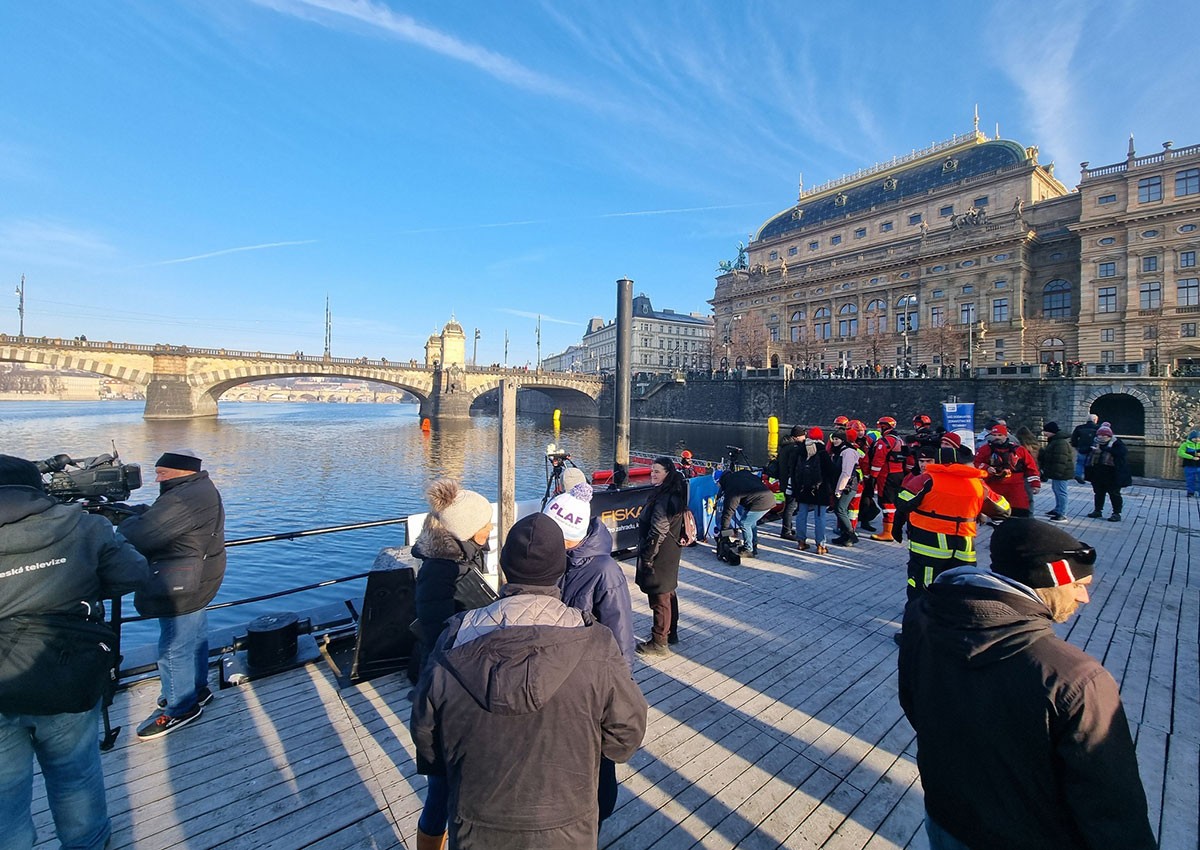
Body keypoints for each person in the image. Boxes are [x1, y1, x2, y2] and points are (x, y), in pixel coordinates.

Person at [898, 519, 1157, 850]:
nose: (1084, 598)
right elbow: (1112, 808)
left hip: (945, 815)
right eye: (1079, 585)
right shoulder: (1076, 679)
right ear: (1049, 579)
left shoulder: (922, 614)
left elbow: (912, 702)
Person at [409, 513, 648, 850]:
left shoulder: (453, 639)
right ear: (560, 569)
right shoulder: (597, 644)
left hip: (476, 825)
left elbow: (426, 735)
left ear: (505, 568)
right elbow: (626, 735)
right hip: (567, 826)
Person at [0, 455, 150, 850]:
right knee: (74, 773)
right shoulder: (83, 524)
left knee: (4, 793)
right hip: (65, 667)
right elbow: (133, 574)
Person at [543, 479, 637, 825]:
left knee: (599, 764)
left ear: (570, 533)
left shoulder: (605, 571)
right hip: (558, 678)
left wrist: (618, 691)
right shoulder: (558, 558)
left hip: (592, 682)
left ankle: (597, 818)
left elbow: (620, 636)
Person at [409, 479, 494, 850]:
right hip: (447, 689)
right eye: (487, 523)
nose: (491, 528)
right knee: (441, 791)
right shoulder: (441, 573)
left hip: (463, 681)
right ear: (468, 531)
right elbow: (439, 637)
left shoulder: (459, 559)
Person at [118, 450, 225, 740]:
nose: (157, 479)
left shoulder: (182, 497)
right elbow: (163, 520)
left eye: (162, 473)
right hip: (200, 577)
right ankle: (197, 690)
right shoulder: (198, 488)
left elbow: (141, 535)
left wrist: (120, 521)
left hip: (181, 582)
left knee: (174, 647)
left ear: (182, 471)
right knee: (195, 637)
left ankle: (180, 708)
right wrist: (135, 512)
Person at [894, 434, 1010, 601]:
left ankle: (921, 614)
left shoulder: (927, 479)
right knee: (959, 588)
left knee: (923, 586)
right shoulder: (977, 483)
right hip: (964, 546)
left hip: (928, 544)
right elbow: (1003, 510)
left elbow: (903, 502)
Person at [636, 457, 689, 656]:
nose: (653, 474)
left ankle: (659, 641)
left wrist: (648, 557)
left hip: (660, 552)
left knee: (659, 596)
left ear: (668, 473)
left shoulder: (663, 499)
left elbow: (658, 530)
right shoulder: (675, 493)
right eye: (652, 471)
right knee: (668, 591)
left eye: (657, 471)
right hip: (671, 550)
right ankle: (671, 632)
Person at [973, 424, 1041, 517]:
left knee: (1020, 511)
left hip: (1016, 487)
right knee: (996, 512)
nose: (997, 437)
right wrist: (986, 467)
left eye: (1000, 435)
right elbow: (976, 463)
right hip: (994, 486)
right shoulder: (985, 449)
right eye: (994, 435)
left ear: (1005, 435)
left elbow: (1031, 467)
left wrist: (1035, 484)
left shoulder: (1019, 450)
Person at [791, 427, 834, 554]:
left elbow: (793, 470)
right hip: (820, 489)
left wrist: (796, 487)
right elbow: (831, 471)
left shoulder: (800, 450)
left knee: (801, 515)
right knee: (820, 518)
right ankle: (820, 545)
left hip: (803, 488)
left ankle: (801, 542)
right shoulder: (822, 452)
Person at [716, 467, 775, 558]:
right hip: (768, 496)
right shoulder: (741, 473)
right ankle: (753, 545)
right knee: (751, 523)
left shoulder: (732, 489)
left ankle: (748, 550)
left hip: (761, 502)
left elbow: (728, 512)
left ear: (720, 481)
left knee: (745, 523)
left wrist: (724, 532)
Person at [868, 416, 906, 541]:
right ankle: (892, 529)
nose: (879, 429)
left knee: (886, 502)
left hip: (887, 475)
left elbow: (878, 461)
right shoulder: (899, 440)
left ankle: (888, 532)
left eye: (880, 426)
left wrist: (873, 477)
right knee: (893, 501)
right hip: (898, 474)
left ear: (884, 426)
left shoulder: (884, 441)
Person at [1084, 422, 1131, 522]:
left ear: (1109, 436)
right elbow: (1084, 451)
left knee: (1114, 494)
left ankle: (1116, 513)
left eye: (1104, 435)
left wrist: (1105, 449)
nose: (1101, 437)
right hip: (1097, 472)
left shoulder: (1116, 443)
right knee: (1098, 493)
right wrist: (1091, 450)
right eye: (1099, 435)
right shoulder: (1095, 442)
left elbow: (1122, 453)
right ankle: (1097, 510)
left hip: (1112, 474)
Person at [829, 428, 862, 547]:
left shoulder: (848, 452)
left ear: (843, 440)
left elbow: (846, 473)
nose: (834, 441)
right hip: (843, 485)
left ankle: (851, 535)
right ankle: (845, 536)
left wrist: (839, 489)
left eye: (837, 439)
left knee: (840, 509)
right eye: (833, 439)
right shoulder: (840, 451)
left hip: (848, 486)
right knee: (840, 510)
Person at [1038, 421, 1075, 522]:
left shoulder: (1060, 442)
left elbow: (1061, 459)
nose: (1044, 433)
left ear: (1051, 431)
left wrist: (1058, 473)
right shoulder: (1054, 440)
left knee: (1061, 492)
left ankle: (1062, 513)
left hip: (1061, 473)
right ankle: (1058, 509)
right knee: (1057, 490)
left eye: (1046, 431)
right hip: (1058, 472)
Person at [774, 426, 804, 540]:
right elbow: (793, 467)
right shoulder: (794, 448)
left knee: (789, 505)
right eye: (803, 436)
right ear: (797, 437)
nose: (804, 438)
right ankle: (786, 530)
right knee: (791, 506)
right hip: (790, 482)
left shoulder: (784, 447)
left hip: (783, 480)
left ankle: (788, 526)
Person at [1070, 413, 1100, 483]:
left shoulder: (1079, 427)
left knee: (1080, 462)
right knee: (1090, 464)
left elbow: (1074, 438)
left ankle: (1078, 475)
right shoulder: (1098, 428)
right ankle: (1088, 477)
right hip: (1093, 448)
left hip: (1081, 448)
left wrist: (1076, 446)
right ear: (1095, 420)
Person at [1178, 429, 1200, 497]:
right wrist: (1191, 457)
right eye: (1195, 438)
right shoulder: (1185, 444)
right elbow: (1180, 453)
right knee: (1190, 479)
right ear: (1191, 438)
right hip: (1189, 465)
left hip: (1199, 465)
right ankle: (1190, 492)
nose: (1197, 439)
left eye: (1198, 438)